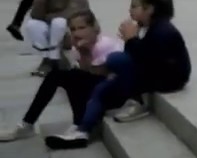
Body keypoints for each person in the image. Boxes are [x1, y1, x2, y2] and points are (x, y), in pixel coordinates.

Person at [47, 0, 192, 149]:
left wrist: (131, 40)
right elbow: (141, 57)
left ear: (150, 9)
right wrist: (131, 40)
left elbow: (147, 60)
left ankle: (138, 101)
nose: (130, 10)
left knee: (115, 60)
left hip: (169, 79)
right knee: (102, 88)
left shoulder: (163, 30)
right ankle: (81, 131)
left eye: (135, 6)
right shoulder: (151, 27)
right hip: (153, 73)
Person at [0, 10, 121, 142]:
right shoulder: (79, 46)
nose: (77, 33)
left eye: (82, 28)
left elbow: (102, 74)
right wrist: (80, 51)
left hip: (115, 92)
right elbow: (85, 73)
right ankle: (27, 124)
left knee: (75, 76)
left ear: (94, 27)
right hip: (97, 88)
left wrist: (85, 52)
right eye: (73, 29)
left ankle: (80, 124)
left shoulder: (104, 44)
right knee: (57, 75)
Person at [23, 0, 90, 77]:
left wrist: (48, 17)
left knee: (58, 22)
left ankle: (52, 59)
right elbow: (36, 16)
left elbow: (73, 12)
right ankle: (48, 59)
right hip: (52, 30)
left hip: (71, 29)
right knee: (32, 25)